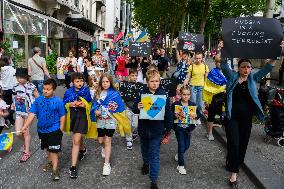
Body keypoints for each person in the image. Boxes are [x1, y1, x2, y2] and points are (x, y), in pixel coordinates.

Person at [220, 54, 275, 187]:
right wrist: (222, 50)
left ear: (251, 69)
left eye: (248, 67)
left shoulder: (253, 78)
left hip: (246, 119)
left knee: (243, 144)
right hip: (232, 117)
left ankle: (234, 161)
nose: (246, 69)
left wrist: (276, 54)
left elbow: (267, 68)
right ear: (238, 68)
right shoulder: (232, 76)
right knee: (234, 142)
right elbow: (223, 64)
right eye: (243, 67)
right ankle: (233, 173)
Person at [133, 69, 173, 189]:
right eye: (152, 81)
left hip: (157, 131)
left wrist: (168, 130)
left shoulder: (163, 96)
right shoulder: (142, 94)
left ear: (159, 82)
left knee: (154, 155)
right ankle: (146, 163)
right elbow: (134, 108)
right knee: (144, 150)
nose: (155, 83)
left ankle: (154, 180)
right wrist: (137, 106)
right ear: (147, 82)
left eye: (157, 81)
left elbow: (168, 114)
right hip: (144, 130)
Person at [21, 79, 66, 181]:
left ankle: (55, 171)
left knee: (53, 151)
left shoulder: (58, 101)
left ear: (53, 90)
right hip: (42, 130)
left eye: (48, 89)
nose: (45, 91)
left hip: (54, 130)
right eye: (44, 89)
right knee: (47, 148)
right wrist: (25, 126)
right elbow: (32, 114)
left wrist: (61, 129)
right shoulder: (38, 100)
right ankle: (50, 163)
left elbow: (62, 116)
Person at [90, 73, 131, 176]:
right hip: (100, 120)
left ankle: (106, 164)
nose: (105, 83)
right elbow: (94, 105)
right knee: (100, 140)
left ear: (110, 82)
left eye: (107, 81)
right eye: (103, 82)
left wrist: (114, 113)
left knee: (107, 140)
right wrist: (95, 111)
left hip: (111, 120)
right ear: (101, 83)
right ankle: (103, 147)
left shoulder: (115, 94)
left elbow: (121, 108)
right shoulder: (97, 93)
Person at [63, 72, 92, 178]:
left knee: (75, 141)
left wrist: (85, 105)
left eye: (81, 81)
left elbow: (90, 103)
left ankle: (73, 167)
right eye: (77, 81)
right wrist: (70, 104)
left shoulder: (86, 91)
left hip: (82, 117)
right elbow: (64, 103)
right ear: (72, 82)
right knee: (77, 138)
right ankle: (83, 149)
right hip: (72, 117)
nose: (80, 83)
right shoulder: (68, 92)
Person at [171, 85, 201, 175]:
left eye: (188, 94)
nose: (186, 96)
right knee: (181, 145)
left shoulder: (192, 105)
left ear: (190, 95)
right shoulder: (176, 104)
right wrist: (174, 115)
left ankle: (179, 155)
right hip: (179, 128)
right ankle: (181, 165)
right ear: (180, 94)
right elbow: (170, 114)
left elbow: (198, 114)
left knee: (187, 145)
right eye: (184, 94)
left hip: (188, 129)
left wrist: (196, 116)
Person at [12, 68, 39, 162]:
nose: (19, 79)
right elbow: (14, 97)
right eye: (17, 77)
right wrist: (12, 104)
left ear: (26, 77)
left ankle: (26, 152)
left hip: (29, 112)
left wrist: (38, 109)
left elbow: (38, 98)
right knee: (18, 133)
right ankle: (26, 143)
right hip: (19, 112)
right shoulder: (15, 86)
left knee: (26, 132)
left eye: (21, 78)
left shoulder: (32, 86)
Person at [203, 54, 227, 141]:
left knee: (226, 115)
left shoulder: (228, 72)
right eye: (217, 61)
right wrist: (206, 100)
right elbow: (206, 87)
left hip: (225, 98)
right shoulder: (212, 73)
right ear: (214, 62)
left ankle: (226, 130)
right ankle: (209, 133)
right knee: (211, 116)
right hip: (213, 98)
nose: (219, 63)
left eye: (220, 61)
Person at [184, 52, 209, 116]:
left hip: (201, 87)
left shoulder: (205, 67)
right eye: (197, 58)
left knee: (200, 104)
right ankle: (192, 117)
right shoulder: (191, 66)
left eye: (199, 58)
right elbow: (187, 77)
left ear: (202, 58)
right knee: (193, 103)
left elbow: (206, 79)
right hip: (193, 87)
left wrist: (207, 89)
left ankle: (198, 116)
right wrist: (184, 84)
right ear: (195, 58)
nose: (198, 60)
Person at [0, 56, 17, 127]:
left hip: (3, 90)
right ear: (8, 61)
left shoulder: (0, 69)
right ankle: (7, 117)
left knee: (6, 105)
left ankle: (10, 121)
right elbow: (15, 80)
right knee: (14, 105)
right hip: (12, 89)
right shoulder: (12, 69)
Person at [124, 68, 139, 150]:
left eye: (135, 76)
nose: (134, 77)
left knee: (135, 125)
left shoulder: (139, 86)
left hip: (136, 109)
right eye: (132, 75)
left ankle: (134, 132)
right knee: (128, 124)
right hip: (127, 108)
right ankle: (128, 140)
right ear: (129, 76)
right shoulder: (125, 85)